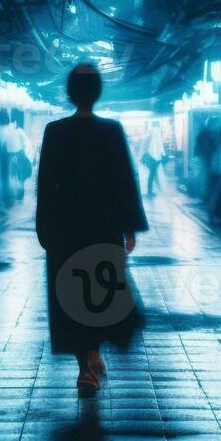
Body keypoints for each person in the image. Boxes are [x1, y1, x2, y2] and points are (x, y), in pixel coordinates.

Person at [36, 64, 148, 397]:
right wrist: (130, 227)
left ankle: (85, 363)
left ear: (70, 93)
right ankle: (92, 352)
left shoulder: (55, 131)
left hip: (65, 228)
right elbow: (125, 179)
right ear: (97, 92)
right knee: (100, 292)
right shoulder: (110, 130)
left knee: (69, 295)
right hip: (103, 226)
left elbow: (45, 184)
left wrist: (43, 227)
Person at [142, 122, 165, 196]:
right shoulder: (156, 132)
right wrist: (163, 154)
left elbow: (150, 144)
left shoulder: (151, 132)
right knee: (153, 173)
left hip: (152, 156)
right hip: (154, 157)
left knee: (153, 173)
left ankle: (151, 190)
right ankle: (150, 191)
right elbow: (159, 145)